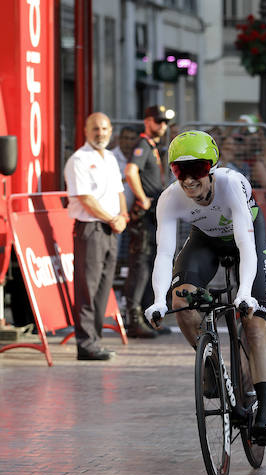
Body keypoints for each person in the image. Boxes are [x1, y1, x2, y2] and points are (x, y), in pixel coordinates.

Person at [144, 131, 266, 446]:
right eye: (179, 171)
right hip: (205, 240)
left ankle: (264, 413)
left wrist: (245, 293)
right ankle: (212, 369)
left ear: (212, 167)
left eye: (197, 169)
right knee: (182, 301)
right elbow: (164, 253)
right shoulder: (169, 198)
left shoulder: (232, 184)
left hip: (246, 235)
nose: (188, 180)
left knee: (254, 325)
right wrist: (159, 300)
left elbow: (246, 244)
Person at [64, 112, 127, 361]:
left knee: (103, 289)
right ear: (86, 131)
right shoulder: (78, 160)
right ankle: (86, 344)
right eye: (95, 129)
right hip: (90, 228)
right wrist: (113, 218)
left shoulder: (110, 157)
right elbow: (85, 198)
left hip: (111, 229)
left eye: (104, 128)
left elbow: (119, 190)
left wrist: (122, 215)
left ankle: (95, 340)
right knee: (87, 288)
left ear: (110, 130)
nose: (100, 133)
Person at [123, 105, 171, 339]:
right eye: (158, 121)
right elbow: (131, 172)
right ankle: (133, 320)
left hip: (152, 215)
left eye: (164, 122)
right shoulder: (142, 145)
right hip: (144, 216)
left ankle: (146, 317)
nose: (162, 126)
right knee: (140, 267)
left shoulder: (151, 146)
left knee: (149, 265)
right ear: (147, 121)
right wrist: (142, 199)